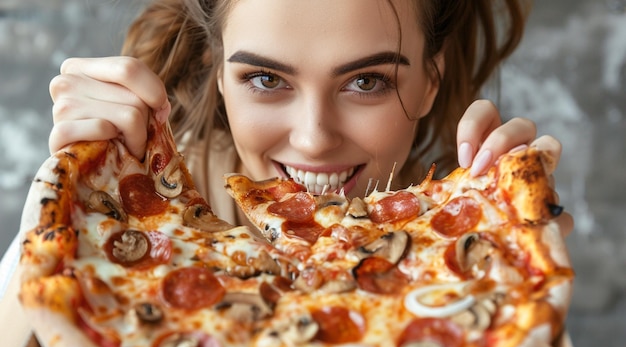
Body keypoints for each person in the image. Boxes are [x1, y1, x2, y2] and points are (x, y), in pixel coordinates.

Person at [46, 0, 573, 232]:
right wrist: (87, 192)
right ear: (218, 71)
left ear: (430, 80)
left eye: (366, 82)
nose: (314, 139)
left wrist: (504, 251)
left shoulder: (472, 231)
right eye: (267, 79)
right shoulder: (128, 202)